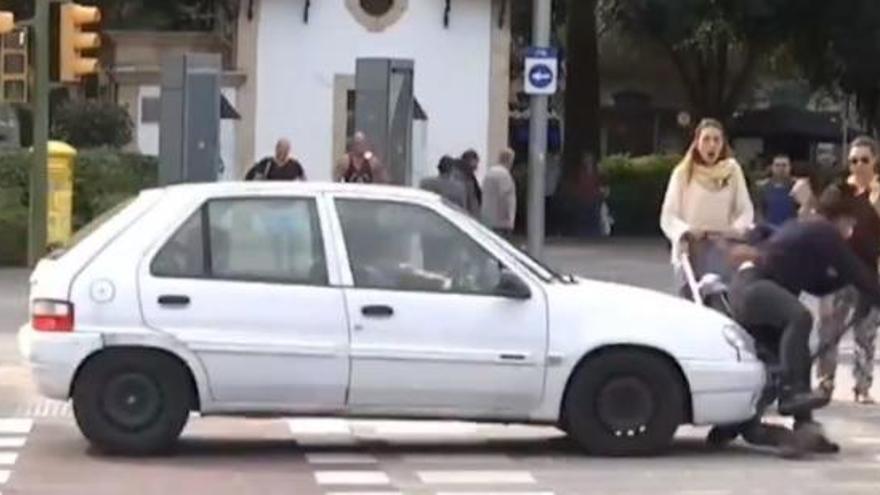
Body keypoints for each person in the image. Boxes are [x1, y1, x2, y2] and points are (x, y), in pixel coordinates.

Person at [725, 193, 880, 419]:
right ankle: (790, 393)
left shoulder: (806, 229)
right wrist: (870, 289)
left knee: (797, 355)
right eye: (850, 224)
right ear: (841, 218)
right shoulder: (824, 231)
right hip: (754, 288)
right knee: (800, 317)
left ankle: (801, 425)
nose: (850, 231)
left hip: (750, 290)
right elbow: (854, 270)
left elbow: (817, 286)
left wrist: (862, 291)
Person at [816, 136, 880, 404]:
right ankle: (825, 382)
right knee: (830, 329)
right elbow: (819, 222)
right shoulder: (839, 191)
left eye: (864, 160)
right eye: (853, 160)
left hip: (868, 272)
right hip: (837, 271)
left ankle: (862, 386)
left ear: (875, 161)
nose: (858, 166)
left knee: (866, 333)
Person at [660, 118, 755, 293]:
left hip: (721, 247)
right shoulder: (683, 172)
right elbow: (669, 215)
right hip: (691, 249)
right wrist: (686, 231)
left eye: (716, 140)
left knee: (720, 297)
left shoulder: (732, 171)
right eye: (706, 139)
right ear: (697, 143)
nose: (711, 145)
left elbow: (745, 209)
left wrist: (734, 230)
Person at [481, 148, 517, 237]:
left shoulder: (490, 172)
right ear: (509, 160)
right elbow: (506, 198)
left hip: (487, 218)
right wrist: (509, 219)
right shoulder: (504, 175)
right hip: (501, 222)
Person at [756, 154, 798, 227]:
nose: (781, 168)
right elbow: (759, 211)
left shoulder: (798, 186)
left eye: (784, 165)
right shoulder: (762, 188)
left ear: (790, 167)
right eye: (777, 165)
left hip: (792, 231)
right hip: (769, 231)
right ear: (772, 167)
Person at [453, 149, 482, 216]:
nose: (477, 166)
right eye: (476, 162)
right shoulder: (465, 177)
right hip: (465, 215)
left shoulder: (469, 176)